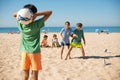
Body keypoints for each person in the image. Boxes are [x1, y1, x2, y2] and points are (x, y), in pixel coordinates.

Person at [13, 4, 52, 80]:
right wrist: (36, 14)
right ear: (32, 15)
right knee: (35, 75)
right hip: (35, 52)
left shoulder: (21, 24)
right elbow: (50, 12)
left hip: (24, 52)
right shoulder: (37, 24)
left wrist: (24, 14)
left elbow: (14, 14)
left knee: (25, 76)